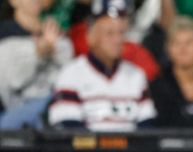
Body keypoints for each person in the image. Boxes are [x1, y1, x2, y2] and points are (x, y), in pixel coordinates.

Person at [48, 0, 157, 130]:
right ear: (91, 37)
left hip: (132, 150)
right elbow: (68, 129)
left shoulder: (136, 75)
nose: (117, 40)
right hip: (85, 150)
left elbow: (147, 128)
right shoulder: (71, 74)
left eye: (121, 33)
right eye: (110, 33)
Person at [0, 0, 73, 129]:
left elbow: (69, 76)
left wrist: (53, 48)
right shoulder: (4, 35)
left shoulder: (57, 33)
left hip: (55, 106)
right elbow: (14, 80)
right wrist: (38, 54)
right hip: (15, 111)